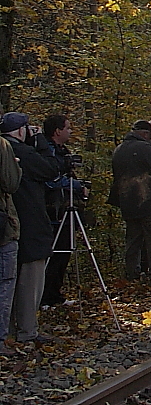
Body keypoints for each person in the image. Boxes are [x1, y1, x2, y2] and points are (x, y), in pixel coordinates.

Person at [3, 112, 62, 346]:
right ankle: (27, 329)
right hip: (29, 223)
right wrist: (41, 145)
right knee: (31, 278)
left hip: (7, 224)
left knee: (7, 280)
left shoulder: (4, 150)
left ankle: (6, 330)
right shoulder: (24, 152)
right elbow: (51, 169)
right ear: (21, 130)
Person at [109, 119, 151, 284]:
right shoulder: (144, 148)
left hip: (127, 203)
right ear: (145, 134)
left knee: (133, 241)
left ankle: (132, 275)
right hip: (148, 201)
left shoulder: (120, 149)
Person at [41, 115, 87, 307]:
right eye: (68, 128)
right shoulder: (47, 152)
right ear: (57, 131)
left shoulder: (61, 151)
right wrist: (76, 185)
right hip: (53, 209)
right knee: (54, 253)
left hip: (64, 208)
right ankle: (44, 296)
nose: (70, 131)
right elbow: (50, 179)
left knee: (64, 252)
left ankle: (55, 295)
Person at [0, 130, 19, 354]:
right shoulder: (3, 146)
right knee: (4, 282)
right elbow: (11, 183)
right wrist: (16, 166)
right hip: (3, 228)